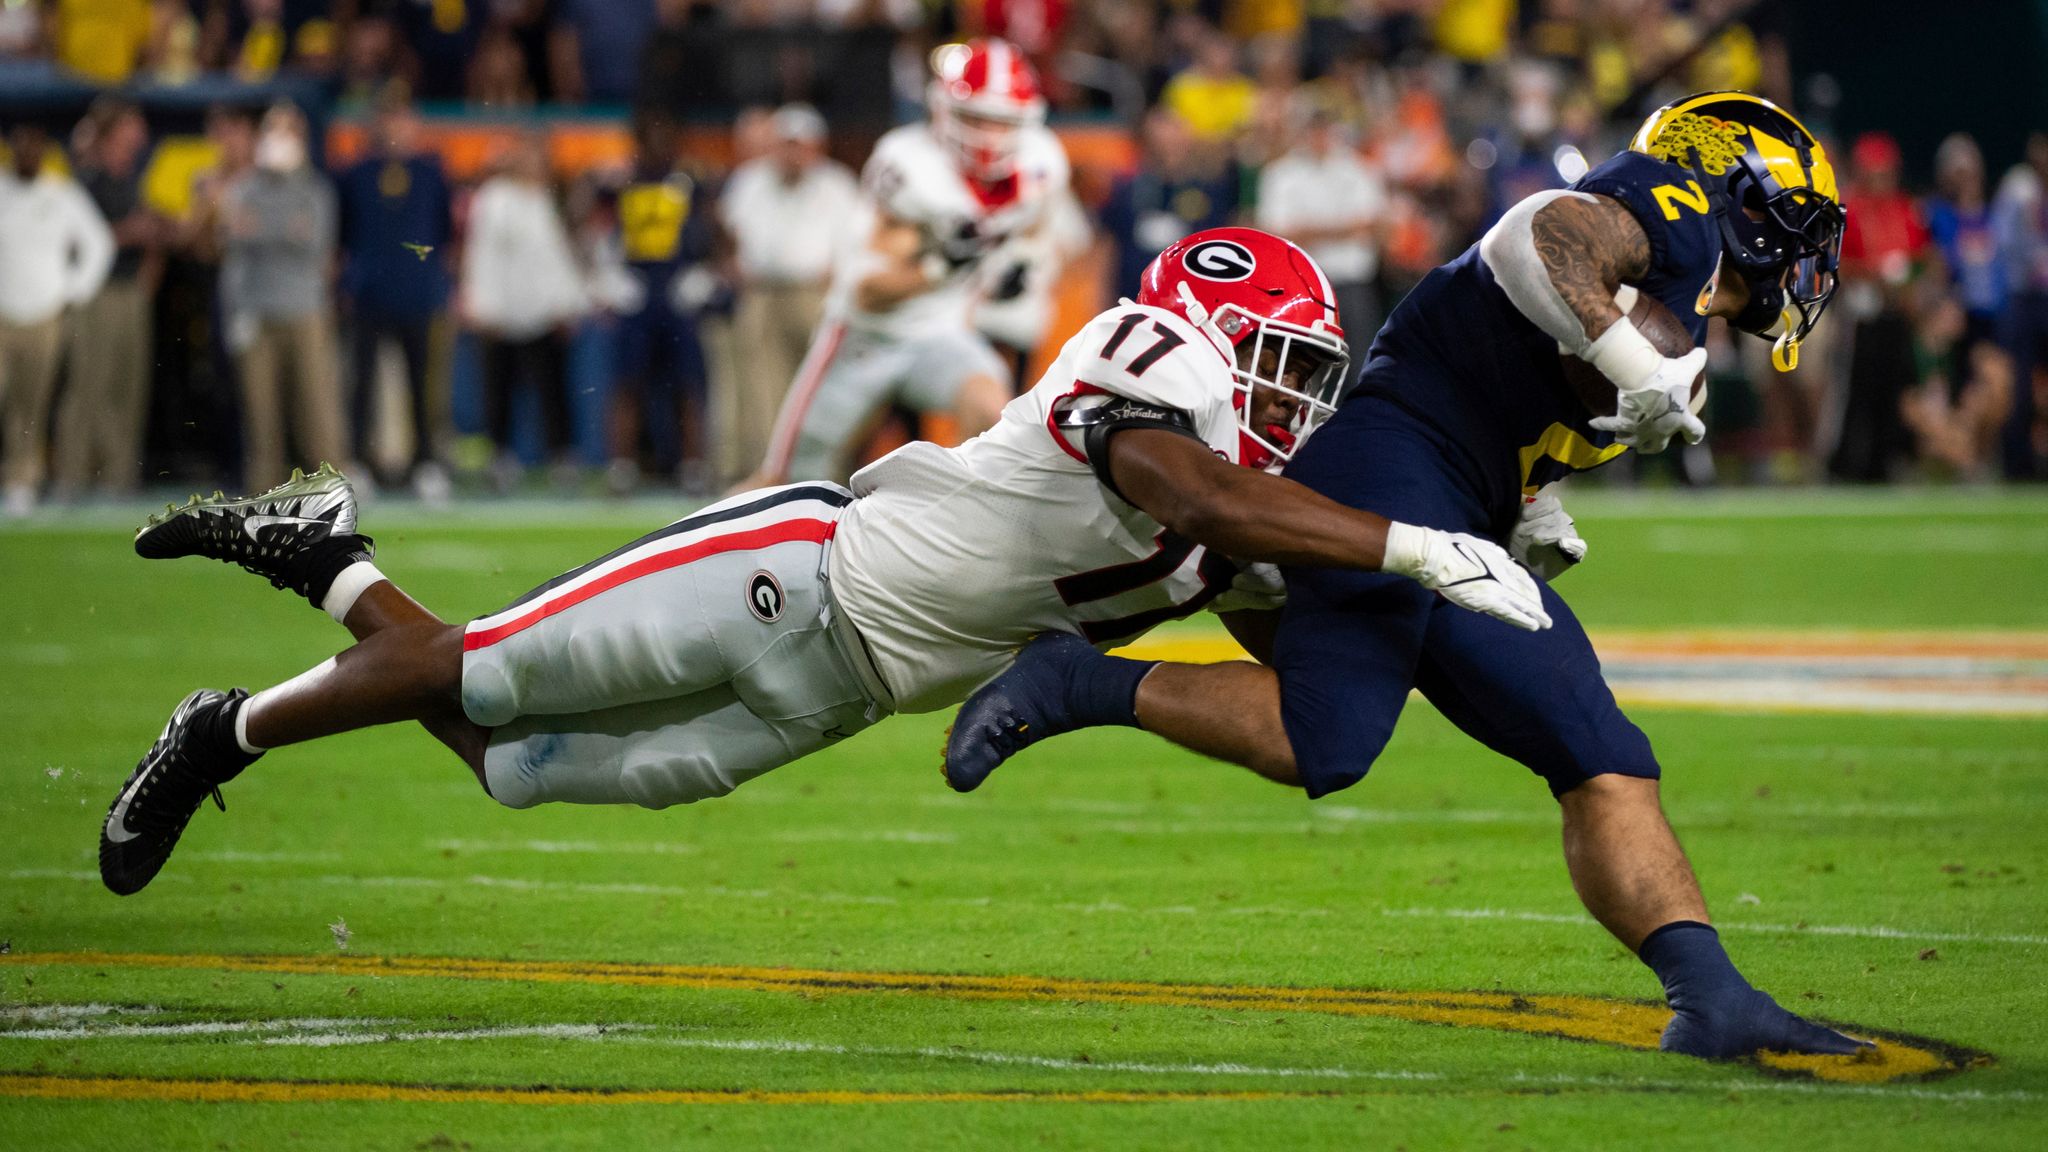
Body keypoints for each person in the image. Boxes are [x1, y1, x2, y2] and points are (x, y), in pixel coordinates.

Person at [97, 227, 1548, 903]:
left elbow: (1302, 675)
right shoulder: (1151, 368)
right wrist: (1413, 540)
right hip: (792, 570)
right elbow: (1183, 488)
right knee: (472, 670)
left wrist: (1483, 525)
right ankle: (220, 731)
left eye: (1313, 374)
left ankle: (326, 555)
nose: (1297, 403)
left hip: (843, 696)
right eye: (1279, 366)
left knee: (509, 767)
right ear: (1208, 333)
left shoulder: (1250, 495)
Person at [946, 94, 1867, 1064]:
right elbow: (1531, 240)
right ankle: (1071, 679)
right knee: (1325, 739)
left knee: (1597, 748)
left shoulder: (1687, 295)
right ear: (1738, 191)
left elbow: (1520, 381)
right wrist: (1628, 358)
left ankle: (1709, 1001)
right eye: (1797, 223)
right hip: (1385, 464)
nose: (1805, 254)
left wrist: (1530, 502)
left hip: (1456, 496)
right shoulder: (1668, 207)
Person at [737, 38, 1068, 488]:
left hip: (942, 333)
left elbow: (1031, 229)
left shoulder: (1040, 163)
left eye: (1002, 121)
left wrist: (1014, 268)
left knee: (994, 416)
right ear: (943, 109)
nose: (989, 136)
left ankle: (967, 543)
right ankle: (695, 553)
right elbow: (867, 289)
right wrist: (939, 267)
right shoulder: (909, 165)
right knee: (785, 481)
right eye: (976, 118)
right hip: (864, 339)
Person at [717, 104, 860, 482]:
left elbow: (853, 246)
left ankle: (824, 475)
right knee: (763, 390)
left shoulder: (837, 184)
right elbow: (728, 232)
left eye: (801, 145)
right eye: (787, 145)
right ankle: (769, 478)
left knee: (822, 390)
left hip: (817, 295)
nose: (793, 155)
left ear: (816, 147)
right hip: (763, 293)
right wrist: (734, 267)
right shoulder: (751, 180)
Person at [335, 85, 455, 501]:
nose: (398, 128)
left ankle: (426, 462)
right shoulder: (357, 173)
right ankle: (358, 464)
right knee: (362, 386)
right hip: (370, 293)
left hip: (418, 294)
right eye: (390, 119)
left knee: (422, 385)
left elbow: (443, 232)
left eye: (404, 119)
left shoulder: (431, 171)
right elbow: (345, 234)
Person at [219, 102, 346, 491]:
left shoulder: (317, 191)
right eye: (274, 129)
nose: (280, 139)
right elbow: (233, 240)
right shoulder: (242, 189)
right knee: (262, 420)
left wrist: (259, 232)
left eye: (289, 130)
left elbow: (313, 244)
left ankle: (330, 494)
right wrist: (282, 233)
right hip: (255, 314)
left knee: (317, 415)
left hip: (306, 312)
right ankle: (264, 499)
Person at [458, 132, 589, 491]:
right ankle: (501, 457)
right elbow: (481, 254)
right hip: (503, 312)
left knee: (554, 389)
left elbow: (558, 257)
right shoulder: (494, 199)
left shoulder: (547, 200)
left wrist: (568, 302)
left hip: (545, 311)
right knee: (499, 388)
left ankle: (561, 457)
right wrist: (483, 304)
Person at [54, 98, 165, 500]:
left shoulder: (131, 181)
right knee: (89, 387)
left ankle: (118, 480)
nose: (137, 137)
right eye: (129, 129)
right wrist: (126, 233)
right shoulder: (86, 181)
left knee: (128, 388)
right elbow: (69, 242)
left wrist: (149, 256)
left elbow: (151, 234)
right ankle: (73, 477)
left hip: (129, 293)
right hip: (95, 295)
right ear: (110, 133)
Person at [0, 123, 113, 517]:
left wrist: (71, 291)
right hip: (2, 314)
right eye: (20, 147)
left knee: (30, 404)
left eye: (35, 148)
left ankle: (20, 480)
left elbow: (99, 243)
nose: (27, 155)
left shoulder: (61, 194)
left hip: (44, 317)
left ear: (44, 153)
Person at [605, 113, 714, 492]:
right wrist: (605, 271)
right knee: (627, 381)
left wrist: (703, 270)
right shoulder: (622, 182)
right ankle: (621, 464)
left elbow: (714, 228)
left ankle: (693, 464)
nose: (658, 146)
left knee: (688, 382)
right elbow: (589, 223)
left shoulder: (690, 183)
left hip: (676, 291)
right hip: (637, 291)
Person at [1256, 103, 1388, 346]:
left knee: (1360, 363)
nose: (1319, 135)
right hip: (1302, 287)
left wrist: (1310, 230)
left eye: (1324, 127)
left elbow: (1370, 226)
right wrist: (1344, 230)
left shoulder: (1359, 169)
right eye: (1313, 127)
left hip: (1353, 283)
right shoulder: (1280, 173)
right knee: (1301, 363)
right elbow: (1280, 235)